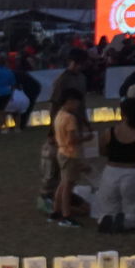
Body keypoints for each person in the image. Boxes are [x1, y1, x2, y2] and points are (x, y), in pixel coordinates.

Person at [91, 96, 135, 232]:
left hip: (110, 172)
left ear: (122, 113)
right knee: (134, 210)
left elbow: (101, 150)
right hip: (133, 173)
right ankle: (127, 222)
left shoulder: (109, 132)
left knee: (109, 206)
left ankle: (106, 218)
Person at [49, 89, 92, 228]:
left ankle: (56, 211)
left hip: (61, 151)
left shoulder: (59, 115)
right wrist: (86, 138)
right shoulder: (70, 118)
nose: (78, 106)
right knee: (68, 186)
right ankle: (66, 215)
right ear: (70, 101)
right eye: (76, 103)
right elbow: (73, 139)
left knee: (63, 184)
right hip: (70, 154)